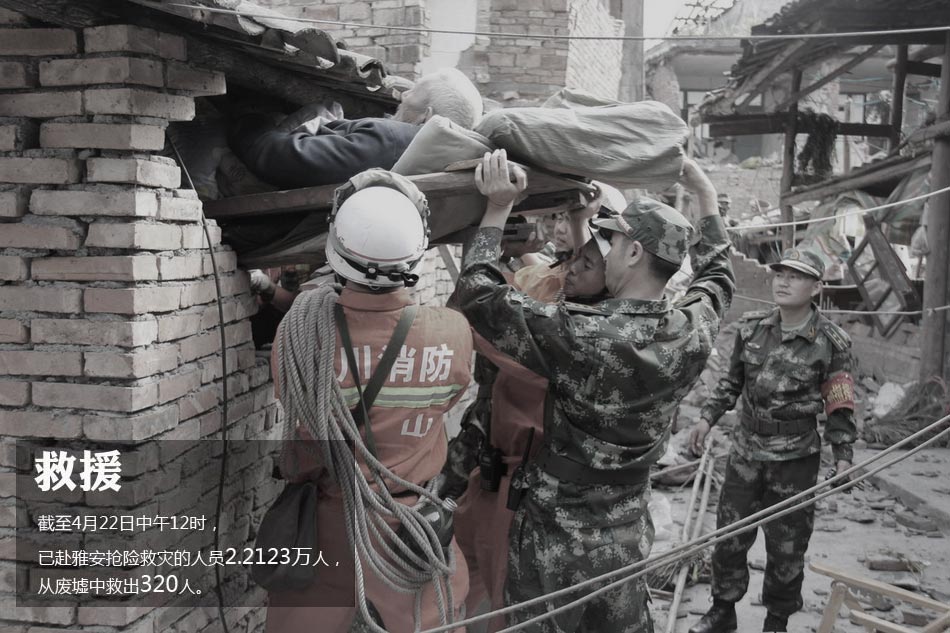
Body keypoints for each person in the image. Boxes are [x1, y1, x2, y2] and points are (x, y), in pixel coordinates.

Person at [453, 150, 735, 632]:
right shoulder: (693, 330)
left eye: (613, 238)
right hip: (626, 532)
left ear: (634, 252)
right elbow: (718, 276)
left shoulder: (579, 333)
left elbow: (478, 295)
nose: (602, 246)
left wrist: (497, 208)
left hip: (554, 530)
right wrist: (706, 196)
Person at [265, 170, 474, 633]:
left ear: (335, 250)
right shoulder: (451, 332)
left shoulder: (296, 336)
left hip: (323, 531)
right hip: (410, 534)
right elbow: (451, 400)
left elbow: (294, 404)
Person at [442, 189, 619, 632]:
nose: (574, 264)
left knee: (503, 595)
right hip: (489, 465)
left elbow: (478, 308)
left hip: (521, 486)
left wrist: (497, 212)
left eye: (588, 262)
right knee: (464, 573)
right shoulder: (550, 282)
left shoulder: (577, 334)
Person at [686, 248, 856, 633]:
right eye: (780, 273)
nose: (783, 281)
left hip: (795, 459)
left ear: (816, 287)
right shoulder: (752, 328)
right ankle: (722, 611)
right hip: (746, 451)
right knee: (729, 536)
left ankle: (776, 620)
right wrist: (705, 418)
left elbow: (839, 403)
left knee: (787, 548)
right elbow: (731, 382)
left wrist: (843, 456)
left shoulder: (831, 342)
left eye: (795, 276)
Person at [229, 68, 483, 189]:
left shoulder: (390, 140)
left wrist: (250, 121)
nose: (402, 97)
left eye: (413, 92)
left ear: (425, 118)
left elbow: (282, 159)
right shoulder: (437, 156)